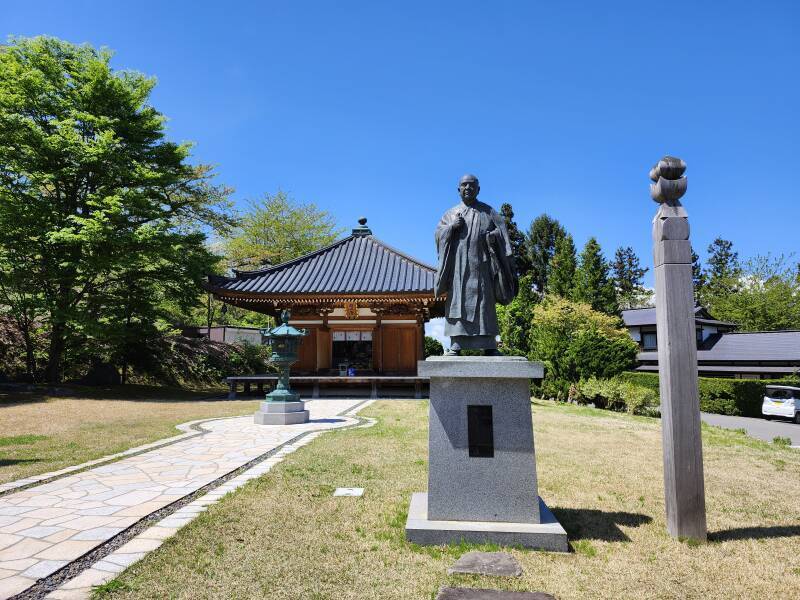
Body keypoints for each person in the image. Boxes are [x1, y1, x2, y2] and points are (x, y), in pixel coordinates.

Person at [434, 174, 518, 356]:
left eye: (472, 185)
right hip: (458, 269)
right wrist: (451, 228)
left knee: (484, 304)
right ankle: (456, 342)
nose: (468, 188)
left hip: (483, 268)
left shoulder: (489, 212)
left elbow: (503, 236)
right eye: (464, 185)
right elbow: (438, 236)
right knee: (458, 302)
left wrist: (493, 237)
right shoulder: (449, 214)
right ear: (458, 189)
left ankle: (489, 344)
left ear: (478, 189)